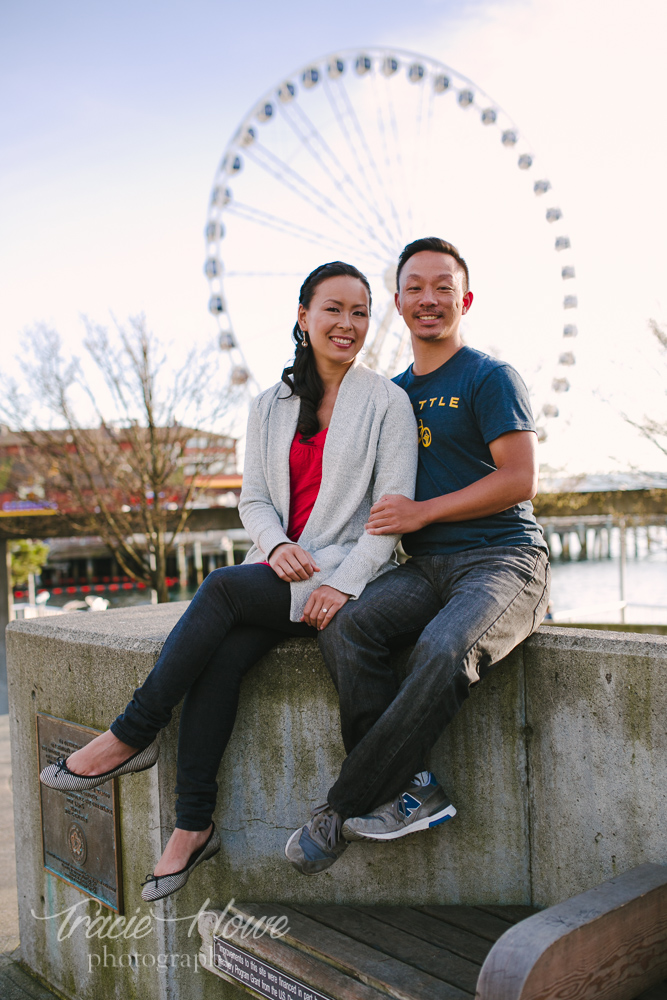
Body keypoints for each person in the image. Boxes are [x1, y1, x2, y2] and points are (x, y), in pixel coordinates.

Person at [40, 261, 418, 901]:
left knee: (218, 588)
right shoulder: (269, 406)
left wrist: (342, 583)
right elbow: (254, 502)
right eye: (333, 309)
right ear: (303, 317)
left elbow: (390, 517)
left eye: (360, 312)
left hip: (345, 577)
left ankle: (131, 734)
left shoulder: (387, 402)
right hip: (279, 569)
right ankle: (193, 827)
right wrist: (275, 545)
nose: (348, 323)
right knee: (219, 661)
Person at [285, 237, 550, 875]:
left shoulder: (489, 377)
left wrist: (424, 512)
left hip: (502, 560)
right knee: (348, 626)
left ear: (465, 298)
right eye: (414, 288)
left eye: (442, 286)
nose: (428, 299)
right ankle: (417, 788)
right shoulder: (390, 395)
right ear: (398, 303)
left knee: (441, 647)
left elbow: (519, 479)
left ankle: (341, 807)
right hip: (424, 566)